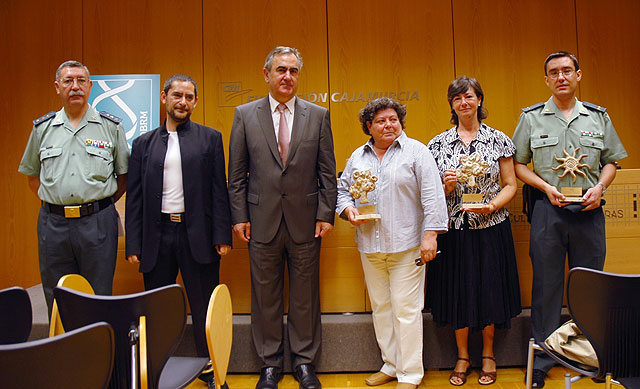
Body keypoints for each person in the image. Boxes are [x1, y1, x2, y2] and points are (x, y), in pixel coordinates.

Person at [512, 51, 627, 388]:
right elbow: (518, 164)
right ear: (546, 80)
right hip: (549, 210)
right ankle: (543, 360)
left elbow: (611, 161)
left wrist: (601, 187)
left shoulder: (598, 116)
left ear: (578, 75)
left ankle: (592, 357)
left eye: (566, 71)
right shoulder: (531, 118)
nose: (561, 77)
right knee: (546, 288)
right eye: (553, 72)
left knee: (590, 287)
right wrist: (544, 186)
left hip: (590, 213)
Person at [227, 46, 337, 389]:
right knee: (265, 297)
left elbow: (327, 171)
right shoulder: (245, 114)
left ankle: (304, 363)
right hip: (261, 220)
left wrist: (325, 213)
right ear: (267, 74)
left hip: (306, 221)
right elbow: (237, 174)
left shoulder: (317, 115)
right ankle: (270, 365)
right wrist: (239, 216)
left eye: (293, 70)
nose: (287, 76)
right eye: (280, 70)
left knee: (305, 296)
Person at [125, 74, 232, 389]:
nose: (183, 102)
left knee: (203, 311)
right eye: (177, 95)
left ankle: (211, 371)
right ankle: (156, 371)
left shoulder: (209, 138)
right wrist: (134, 242)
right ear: (164, 97)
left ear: (195, 102)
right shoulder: (143, 144)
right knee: (158, 311)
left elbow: (218, 191)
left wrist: (222, 236)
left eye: (189, 97)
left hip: (197, 237)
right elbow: (135, 198)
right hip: (156, 239)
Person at [336, 97, 448, 389]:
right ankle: (391, 364)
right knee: (382, 308)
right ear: (368, 126)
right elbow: (343, 191)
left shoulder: (416, 152)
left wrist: (431, 235)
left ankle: (410, 374)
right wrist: (349, 212)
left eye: (393, 120)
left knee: (406, 309)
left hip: (408, 245)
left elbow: (433, 196)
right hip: (370, 246)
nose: (389, 125)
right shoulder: (357, 157)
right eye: (381, 121)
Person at [426, 76, 522, 386]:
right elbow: (429, 193)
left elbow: (510, 184)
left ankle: (489, 355)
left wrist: (492, 205)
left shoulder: (499, 139)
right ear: (451, 105)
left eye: (469, 96)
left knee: (489, 289)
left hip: (490, 227)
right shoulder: (437, 143)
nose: (464, 103)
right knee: (458, 292)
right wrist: (445, 186)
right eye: (457, 99)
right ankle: (463, 355)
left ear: (479, 100)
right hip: (455, 229)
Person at [18, 60, 129, 317]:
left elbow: (123, 177)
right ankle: (63, 353)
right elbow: (33, 177)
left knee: (99, 294)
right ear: (58, 87)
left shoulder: (110, 127)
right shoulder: (43, 129)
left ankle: (99, 354)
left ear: (90, 86)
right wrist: (57, 202)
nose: (75, 87)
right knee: (57, 295)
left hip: (98, 223)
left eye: (81, 81)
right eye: (68, 81)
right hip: (53, 224)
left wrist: (95, 205)